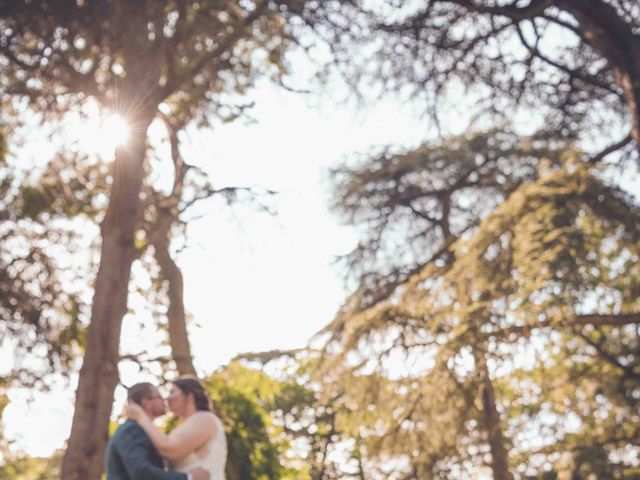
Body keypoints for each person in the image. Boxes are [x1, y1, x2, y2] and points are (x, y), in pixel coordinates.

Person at [127, 377, 227, 480]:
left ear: (189, 395)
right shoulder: (184, 426)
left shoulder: (203, 418)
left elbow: (168, 449)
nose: (167, 398)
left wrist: (140, 416)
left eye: (172, 392)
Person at [105, 382, 209, 480]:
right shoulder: (131, 430)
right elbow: (141, 471)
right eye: (159, 397)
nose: (165, 400)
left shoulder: (141, 430)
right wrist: (188, 477)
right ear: (146, 403)